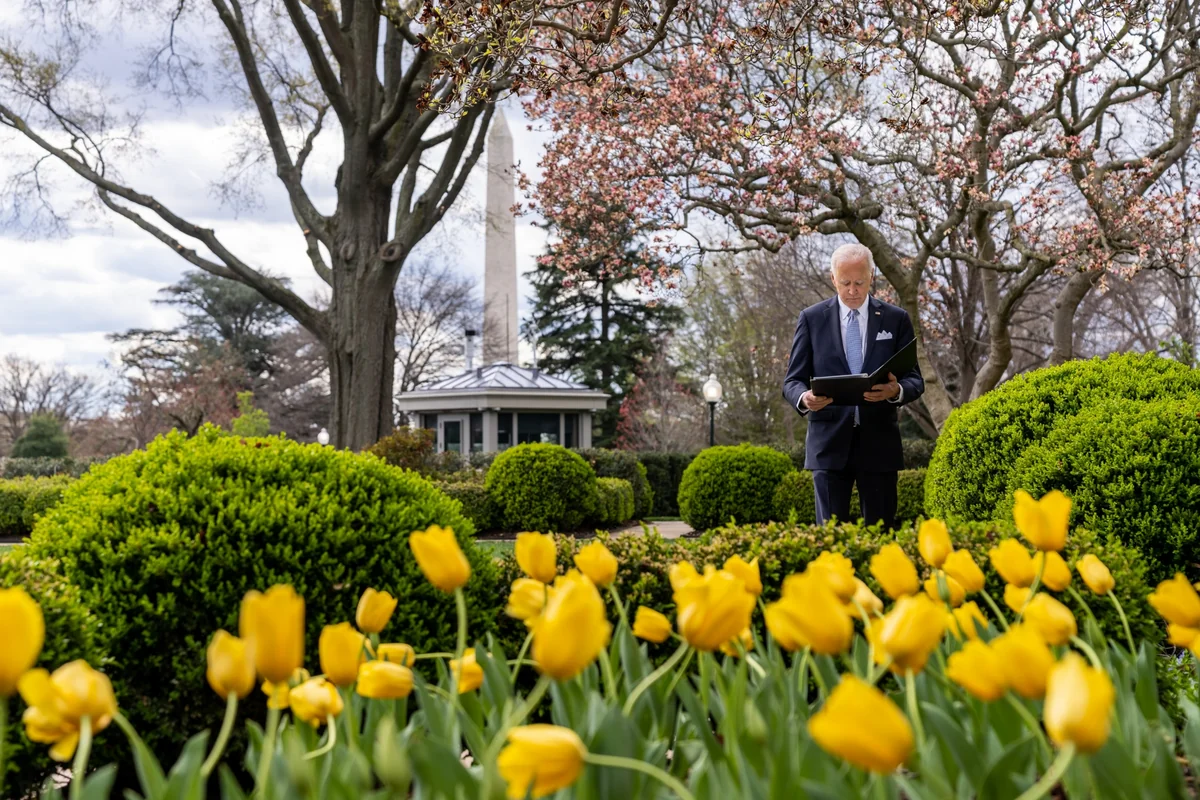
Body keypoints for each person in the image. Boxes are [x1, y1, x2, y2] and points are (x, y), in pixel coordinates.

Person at [781, 243, 925, 530]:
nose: (852, 290)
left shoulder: (896, 319)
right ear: (833, 278)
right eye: (845, 283)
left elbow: (915, 379)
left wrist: (895, 391)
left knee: (882, 537)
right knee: (830, 539)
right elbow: (792, 381)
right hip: (827, 445)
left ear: (871, 276)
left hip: (880, 445)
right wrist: (805, 398)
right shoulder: (811, 319)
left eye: (859, 282)